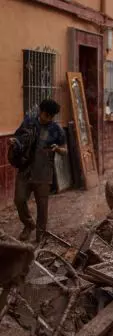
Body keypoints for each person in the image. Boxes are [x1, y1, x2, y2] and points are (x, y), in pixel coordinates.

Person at [10, 99, 67, 243]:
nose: (47, 118)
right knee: (19, 199)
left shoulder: (56, 129)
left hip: (43, 171)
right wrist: (14, 142)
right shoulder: (28, 123)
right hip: (25, 169)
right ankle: (29, 225)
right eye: (46, 115)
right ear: (40, 111)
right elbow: (17, 138)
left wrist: (58, 149)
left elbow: (65, 151)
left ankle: (40, 235)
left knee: (42, 205)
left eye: (51, 116)